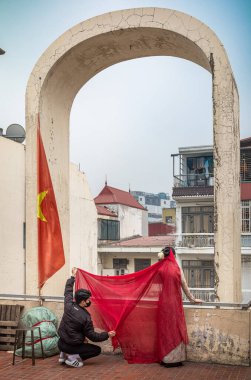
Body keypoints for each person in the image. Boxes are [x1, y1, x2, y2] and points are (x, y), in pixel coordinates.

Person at [58, 267, 116, 368]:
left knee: (77, 338)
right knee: (96, 350)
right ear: (83, 301)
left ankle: (63, 354)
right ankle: (72, 358)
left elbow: (68, 291)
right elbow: (93, 337)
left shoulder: (68, 305)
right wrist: (107, 335)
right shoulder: (85, 317)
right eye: (88, 300)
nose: (90, 301)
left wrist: (73, 276)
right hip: (71, 346)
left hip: (60, 343)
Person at [158, 246, 203, 368]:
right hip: (174, 303)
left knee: (164, 329)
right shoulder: (177, 269)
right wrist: (193, 299)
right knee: (176, 328)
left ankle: (165, 358)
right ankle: (175, 359)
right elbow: (184, 286)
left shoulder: (160, 268)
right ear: (173, 255)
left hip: (163, 303)